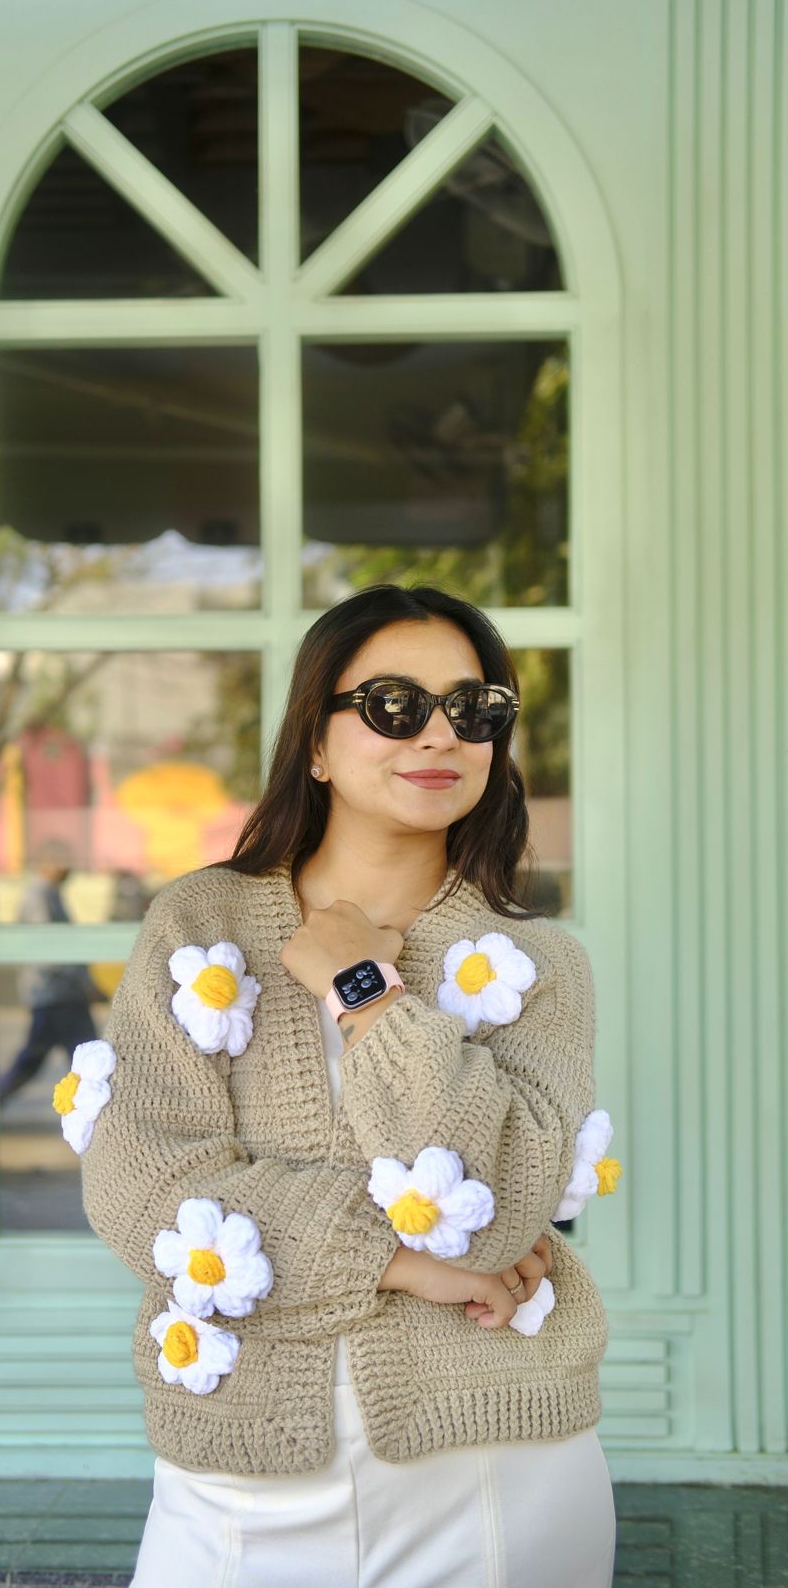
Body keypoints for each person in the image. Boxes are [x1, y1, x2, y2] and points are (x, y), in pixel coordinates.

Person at [80, 584, 617, 1587]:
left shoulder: (537, 964)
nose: (438, 734)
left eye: (474, 708)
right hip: (239, 1475)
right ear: (316, 744)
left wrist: (361, 989)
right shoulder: (200, 930)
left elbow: (491, 1206)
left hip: (495, 1476)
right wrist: (406, 1261)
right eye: (392, 705)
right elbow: (145, 1189)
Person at [0, 841, 98, 1104]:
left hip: (60, 994)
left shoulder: (49, 894)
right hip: (56, 993)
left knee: (43, 1058)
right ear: (48, 863)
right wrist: (80, 980)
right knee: (89, 1058)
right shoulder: (40, 897)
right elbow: (49, 947)